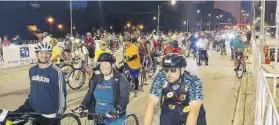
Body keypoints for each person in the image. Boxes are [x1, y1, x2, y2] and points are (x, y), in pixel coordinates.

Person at [143, 54, 206, 125]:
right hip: (170, 110)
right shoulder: (160, 77)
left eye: (173, 70)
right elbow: (151, 104)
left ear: (182, 70)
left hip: (190, 109)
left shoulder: (193, 81)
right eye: (166, 70)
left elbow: (194, 112)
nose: (169, 74)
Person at [13, 43, 66, 125]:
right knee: (8, 119)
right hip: (33, 109)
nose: (44, 55)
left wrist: (59, 113)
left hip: (48, 114)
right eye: (41, 52)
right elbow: (32, 88)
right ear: (37, 54)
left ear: (50, 54)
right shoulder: (32, 70)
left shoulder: (56, 71)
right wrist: (27, 100)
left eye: (47, 53)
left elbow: (62, 93)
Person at [73, 52, 130, 125]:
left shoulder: (120, 78)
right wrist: (82, 107)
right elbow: (90, 94)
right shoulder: (96, 78)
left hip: (114, 117)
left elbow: (124, 98)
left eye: (106, 64)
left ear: (112, 65)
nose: (103, 66)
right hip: (98, 116)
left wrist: (118, 109)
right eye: (101, 64)